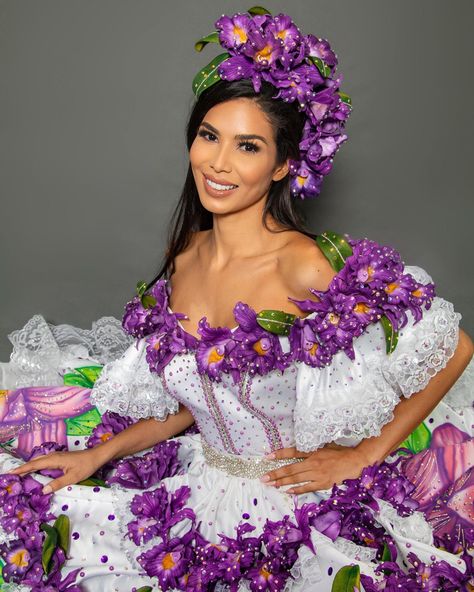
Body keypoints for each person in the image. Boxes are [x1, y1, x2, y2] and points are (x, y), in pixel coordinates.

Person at [0, 7, 473, 592]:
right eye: (208, 136)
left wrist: (363, 456)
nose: (218, 163)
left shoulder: (308, 265)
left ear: (284, 166)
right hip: (201, 489)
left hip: (298, 512)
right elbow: (195, 398)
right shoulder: (184, 259)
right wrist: (98, 457)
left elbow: (455, 346)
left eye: (247, 147)